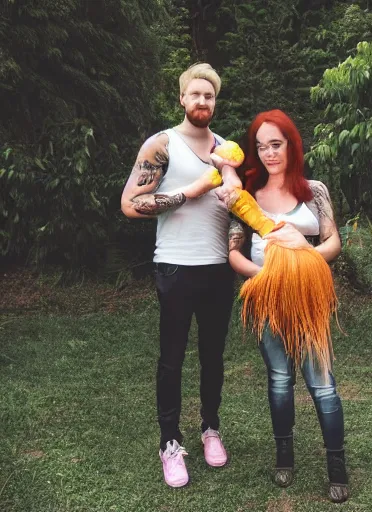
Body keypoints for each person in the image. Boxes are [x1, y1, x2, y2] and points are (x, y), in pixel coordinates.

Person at [121, 63, 241, 488]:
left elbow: (236, 211)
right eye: (195, 95)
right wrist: (188, 192)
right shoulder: (162, 145)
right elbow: (131, 204)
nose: (202, 101)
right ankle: (169, 442)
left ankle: (211, 428)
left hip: (217, 268)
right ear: (182, 99)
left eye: (209, 96)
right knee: (171, 360)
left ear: (215, 101)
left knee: (213, 356)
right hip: (174, 266)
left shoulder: (227, 150)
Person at [228, 109, 349, 503]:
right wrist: (261, 278)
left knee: (322, 384)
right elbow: (233, 252)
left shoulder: (314, 191)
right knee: (280, 380)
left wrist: (306, 248)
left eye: (275, 145)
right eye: (260, 147)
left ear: (291, 145)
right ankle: (285, 457)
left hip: (309, 299)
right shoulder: (247, 195)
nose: (268, 154)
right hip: (266, 298)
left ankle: (337, 465)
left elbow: (332, 242)